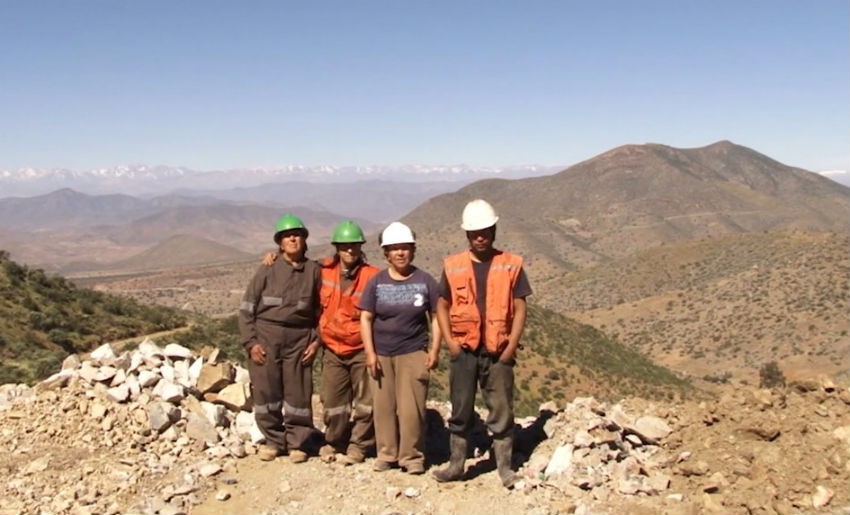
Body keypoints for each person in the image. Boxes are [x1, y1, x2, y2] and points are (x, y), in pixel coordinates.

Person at [431, 199, 532, 488]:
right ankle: (456, 466)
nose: (480, 236)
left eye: (485, 230)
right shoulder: (454, 266)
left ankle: (504, 468)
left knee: (501, 408)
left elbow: (520, 306)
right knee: (461, 408)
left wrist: (512, 344)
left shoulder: (510, 264)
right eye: (475, 232)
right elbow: (442, 304)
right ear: (466, 235)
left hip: (498, 350)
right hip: (464, 350)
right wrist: (450, 341)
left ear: (494, 230)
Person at [358, 222, 442, 475]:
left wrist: (435, 350)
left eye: (405, 248)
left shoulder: (425, 281)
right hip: (382, 353)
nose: (400, 253)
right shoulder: (377, 283)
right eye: (394, 249)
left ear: (413, 250)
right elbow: (366, 318)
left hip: (413, 351)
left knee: (411, 408)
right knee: (383, 407)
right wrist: (370, 353)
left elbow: (437, 317)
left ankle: (412, 456)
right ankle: (386, 453)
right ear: (386, 254)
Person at [238, 214, 321, 464]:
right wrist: (251, 343)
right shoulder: (268, 268)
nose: (292, 238)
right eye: (287, 236)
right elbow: (246, 309)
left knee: (299, 393)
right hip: (266, 338)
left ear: (305, 239)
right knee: (266, 391)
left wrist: (316, 341)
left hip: (300, 340)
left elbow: (323, 312)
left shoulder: (315, 270)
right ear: (279, 243)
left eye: (297, 234)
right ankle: (274, 440)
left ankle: (298, 442)